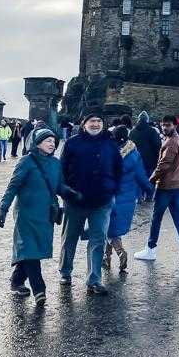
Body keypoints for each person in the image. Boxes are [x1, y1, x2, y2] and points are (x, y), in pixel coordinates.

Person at [0, 128, 80, 304]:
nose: (52, 144)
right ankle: (39, 289)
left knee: (32, 250)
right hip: (26, 213)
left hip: (45, 214)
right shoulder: (26, 161)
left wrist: (72, 194)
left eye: (54, 141)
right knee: (29, 249)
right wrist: (3, 209)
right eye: (48, 140)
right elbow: (13, 186)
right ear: (37, 143)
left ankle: (17, 280)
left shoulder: (56, 164)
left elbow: (59, 186)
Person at [59, 111, 122, 295]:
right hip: (75, 200)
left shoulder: (110, 144)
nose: (95, 124)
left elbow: (118, 170)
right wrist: (66, 193)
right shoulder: (72, 143)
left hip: (102, 201)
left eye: (99, 121)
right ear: (84, 123)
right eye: (91, 121)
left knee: (98, 239)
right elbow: (61, 171)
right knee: (69, 238)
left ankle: (94, 280)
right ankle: (65, 272)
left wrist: (113, 191)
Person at [134, 115, 179, 264]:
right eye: (163, 125)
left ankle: (151, 249)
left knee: (156, 218)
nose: (164, 127)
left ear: (174, 125)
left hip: (167, 186)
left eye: (167, 125)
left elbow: (163, 165)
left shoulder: (172, 142)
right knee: (178, 218)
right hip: (178, 185)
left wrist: (149, 181)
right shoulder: (177, 139)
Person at [104, 125, 152, 272]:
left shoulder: (110, 153)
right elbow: (141, 176)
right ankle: (106, 258)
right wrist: (149, 189)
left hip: (110, 196)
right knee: (112, 228)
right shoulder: (134, 154)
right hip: (128, 198)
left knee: (108, 228)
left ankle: (119, 252)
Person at [129, 112, 160, 201]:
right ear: (147, 120)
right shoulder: (152, 131)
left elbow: (129, 146)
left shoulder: (133, 132)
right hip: (150, 159)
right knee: (150, 178)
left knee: (138, 178)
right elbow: (157, 145)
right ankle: (149, 196)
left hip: (136, 159)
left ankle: (139, 197)